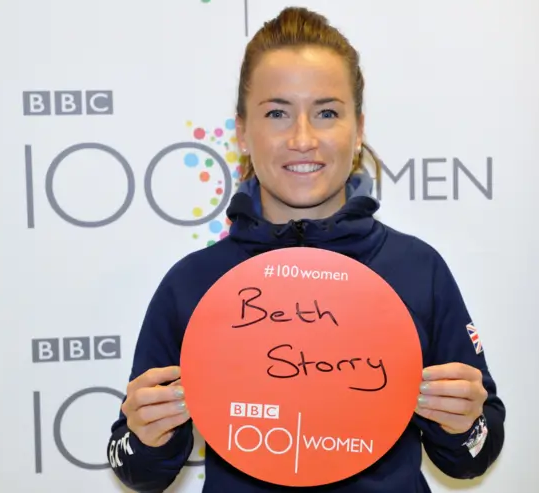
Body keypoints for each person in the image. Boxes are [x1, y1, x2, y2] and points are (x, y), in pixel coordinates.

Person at [106, 6, 505, 492]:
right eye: (277, 112)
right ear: (241, 134)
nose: (302, 138)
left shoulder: (417, 269)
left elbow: (473, 456)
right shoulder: (194, 283)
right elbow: (136, 469)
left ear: (358, 130)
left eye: (327, 112)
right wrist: (148, 436)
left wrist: (464, 423)